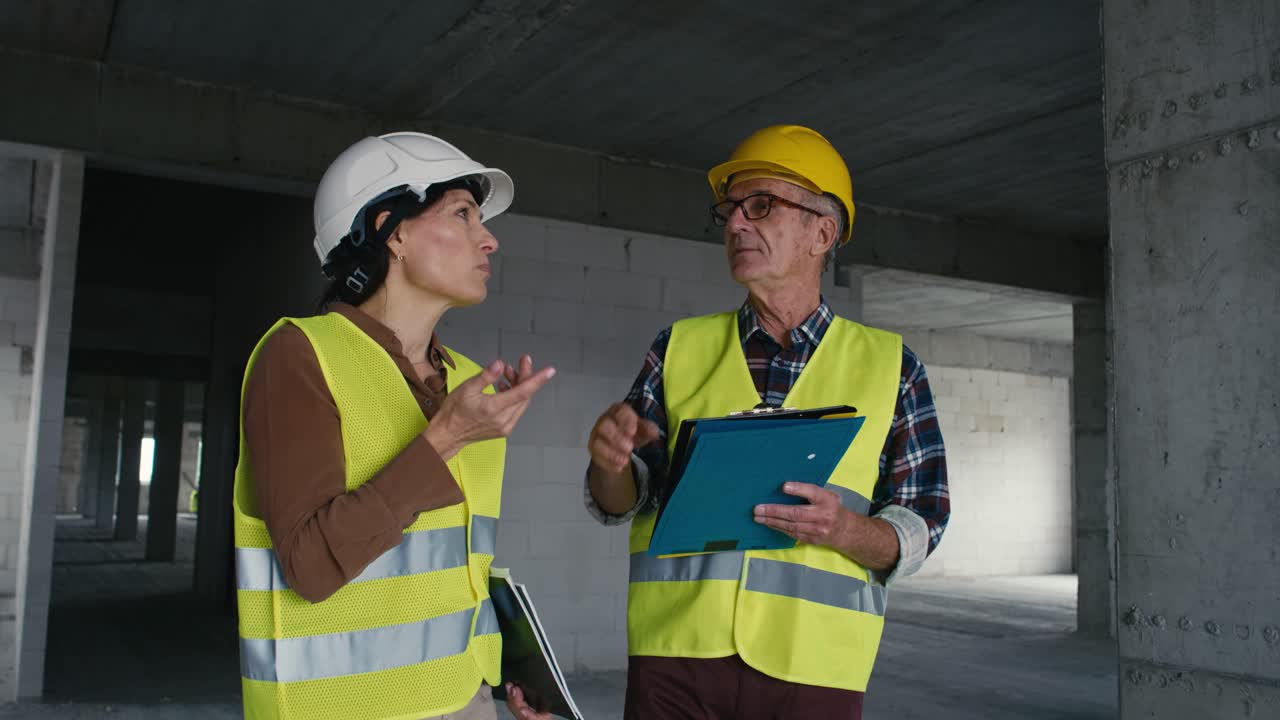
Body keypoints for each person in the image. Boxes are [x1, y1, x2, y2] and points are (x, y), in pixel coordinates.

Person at [584, 125, 950, 719]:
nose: (734, 224)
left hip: (816, 666)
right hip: (675, 657)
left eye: (760, 206)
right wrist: (610, 465)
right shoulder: (677, 348)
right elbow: (624, 500)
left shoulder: (893, 367)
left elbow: (921, 524)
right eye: (729, 210)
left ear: (821, 233)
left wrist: (845, 530)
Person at [232, 132, 556, 720]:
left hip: (464, 697)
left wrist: (509, 672)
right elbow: (309, 566)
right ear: (393, 231)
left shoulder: (469, 382)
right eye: (462, 214)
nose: (488, 239)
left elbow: (458, 568)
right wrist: (445, 439)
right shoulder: (300, 356)